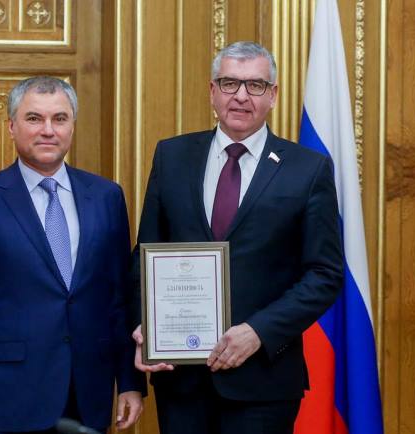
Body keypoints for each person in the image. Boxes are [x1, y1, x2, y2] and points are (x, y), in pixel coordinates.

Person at [131, 41, 344, 434]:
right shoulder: (172, 156)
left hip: (263, 381)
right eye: (230, 83)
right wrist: (147, 325)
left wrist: (259, 332)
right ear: (213, 91)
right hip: (181, 381)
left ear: (273, 95)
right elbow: (144, 258)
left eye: (256, 85)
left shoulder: (307, 169)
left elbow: (324, 275)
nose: (242, 96)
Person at [0, 76, 144, 434]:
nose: (48, 130)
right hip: (6, 397)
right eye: (34, 118)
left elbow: (118, 299)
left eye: (59, 118)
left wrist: (129, 382)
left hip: (86, 393)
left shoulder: (106, 197)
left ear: (72, 126)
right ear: (11, 126)